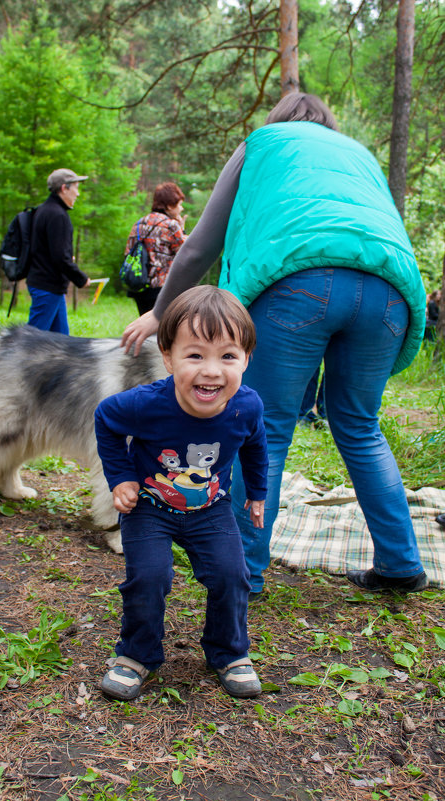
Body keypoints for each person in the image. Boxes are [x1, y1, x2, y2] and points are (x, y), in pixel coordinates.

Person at [121, 93, 429, 597]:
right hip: (390, 290)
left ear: (279, 121)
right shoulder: (357, 154)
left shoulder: (262, 143)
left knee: (265, 427)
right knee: (361, 426)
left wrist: (160, 312)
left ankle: (243, 571)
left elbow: (200, 244)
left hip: (297, 284)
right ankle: (400, 564)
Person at [95, 285, 268, 701]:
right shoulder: (145, 404)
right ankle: (136, 654)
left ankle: (228, 652)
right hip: (149, 507)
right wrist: (121, 479)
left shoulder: (248, 406)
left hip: (210, 509)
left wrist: (257, 492)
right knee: (149, 577)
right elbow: (106, 420)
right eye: (195, 355)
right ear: (168, 357)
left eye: (228, 356)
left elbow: (257, 445)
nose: (211, 370)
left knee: (232, 575)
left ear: (246, 358)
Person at [26, 168, 90, 335]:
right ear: (64, 188)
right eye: (76, 187)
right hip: (47, 286)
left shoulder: (44, 210)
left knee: (61, 342)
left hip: (49, 286)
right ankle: (9, 362)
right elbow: (60, 257)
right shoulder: (57, 215)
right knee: (31, 343)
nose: (78, 194)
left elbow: (49, 250)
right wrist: (81, 278)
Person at [124, 182, 187, 316]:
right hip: (162, 289)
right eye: (179, 204)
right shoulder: (170, 225)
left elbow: (128, 252)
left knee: (146, 327)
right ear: (169, 205)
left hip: (139, 286)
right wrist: (182, 229)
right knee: (163, 330)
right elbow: (183, 254)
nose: (181, 209)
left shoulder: (139, 223)